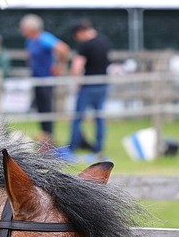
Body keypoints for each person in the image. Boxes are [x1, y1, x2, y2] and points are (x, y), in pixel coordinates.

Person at [19, 14, 70, 144]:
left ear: (32, 28)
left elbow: (63, 48)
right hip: (36, 79)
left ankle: (50, 140)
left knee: (47, 110)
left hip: (46, 80)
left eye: (24, 27)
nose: (21, 30)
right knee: (40, 110)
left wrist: (59, 66)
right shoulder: (30, 41)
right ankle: (45, 139)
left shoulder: (44, 38)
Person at [68, 20, 112, 155]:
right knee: (99, 117)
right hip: (103, 83)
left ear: (80, 32)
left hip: (88, 85)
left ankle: (72, 147)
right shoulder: (104, 41)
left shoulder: (85, 45)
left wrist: (76, 81)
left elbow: (77, 65)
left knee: (78, 117)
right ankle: (99, 148)